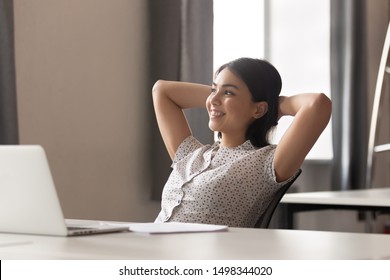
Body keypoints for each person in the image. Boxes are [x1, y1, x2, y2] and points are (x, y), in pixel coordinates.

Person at [152, 57, 332, 227]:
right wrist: (224, 100)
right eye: (213, 90)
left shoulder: (266, 163)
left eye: (228, 92)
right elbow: (161, 90)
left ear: (259, 109)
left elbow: (317, 104)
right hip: (153, 250)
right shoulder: (190, 155)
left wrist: (268, 107)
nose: (213, 99)